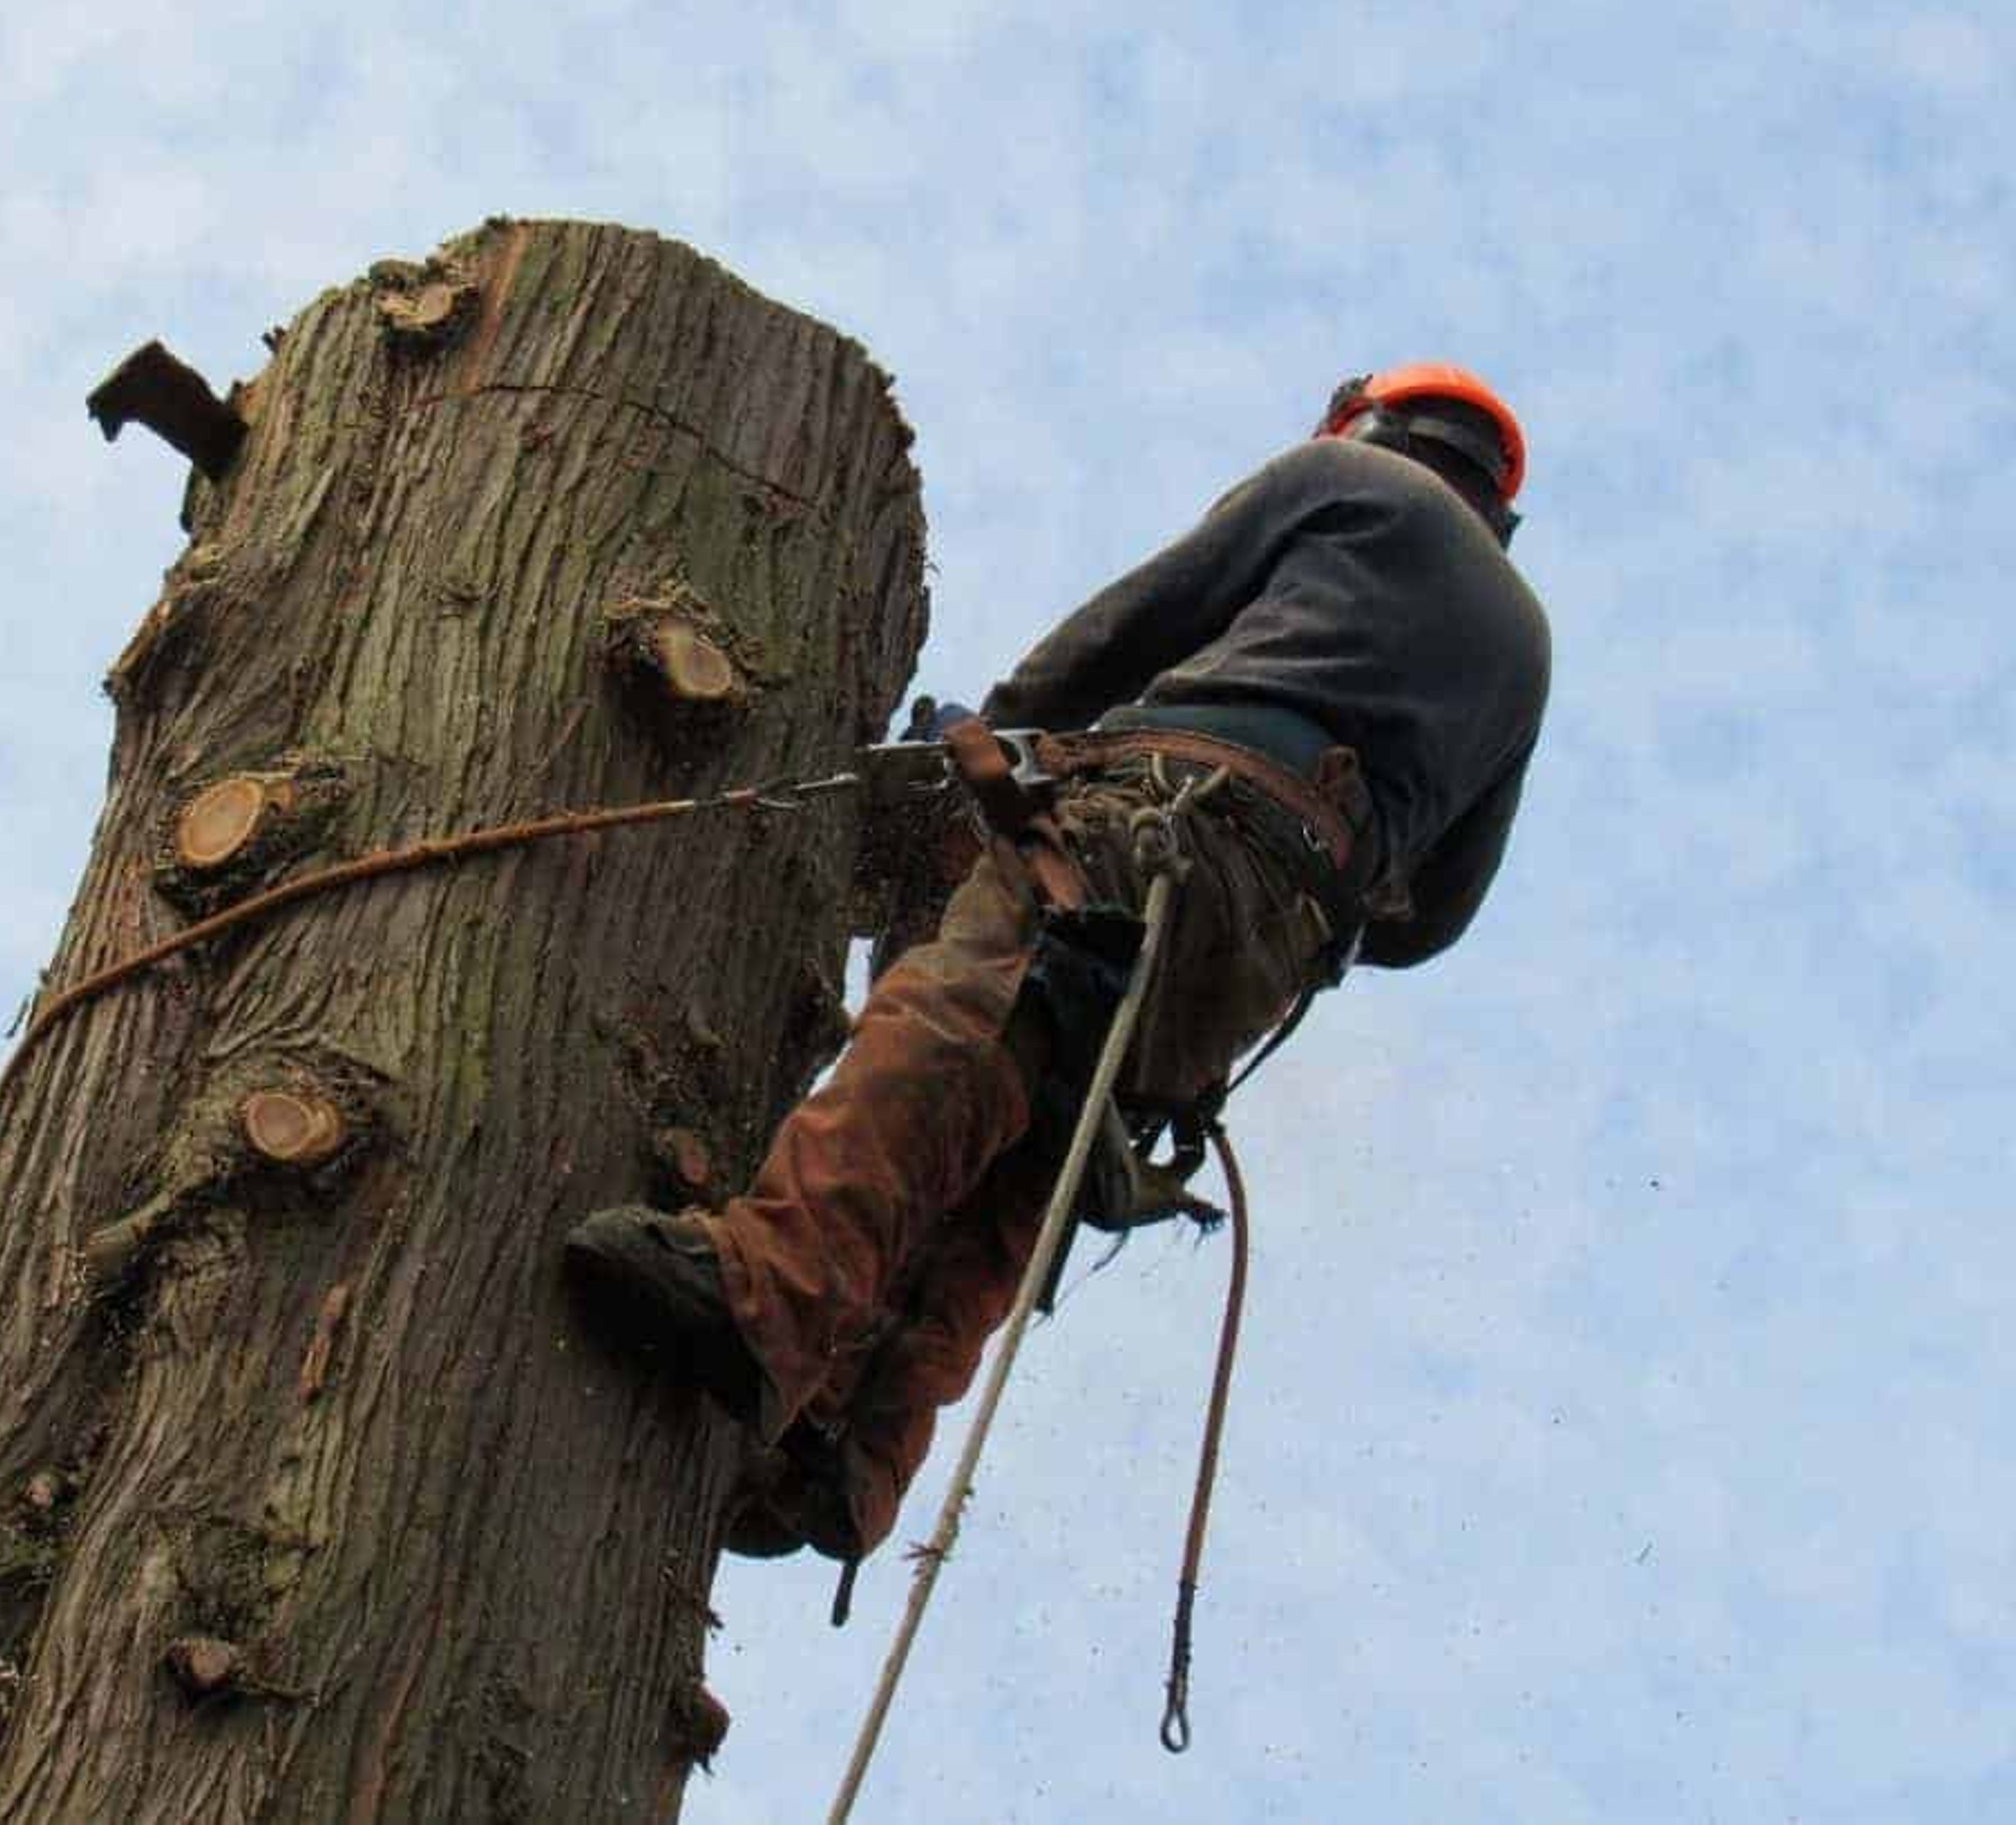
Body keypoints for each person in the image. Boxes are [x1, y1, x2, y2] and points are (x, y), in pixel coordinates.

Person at [565, 363, 1553, 1565]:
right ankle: (850, 1459)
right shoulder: (1524, 643)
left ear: (1370, 424)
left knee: (962, 1015)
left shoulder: (1338, 482)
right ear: (1496, 495)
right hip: (1261, 963)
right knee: (1041, 1142)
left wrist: (994, 737)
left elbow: (1132, 627)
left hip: (1165, 821)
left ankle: (764, 1289)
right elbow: (1431, 922)